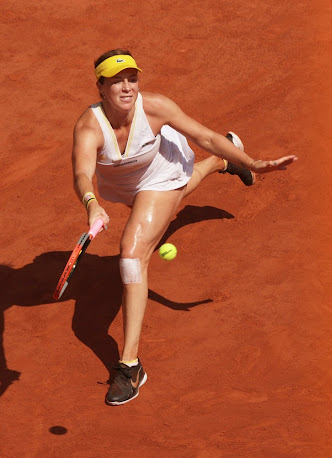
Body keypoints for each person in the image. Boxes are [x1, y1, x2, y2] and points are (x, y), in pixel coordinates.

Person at [72, 49, 298, 405]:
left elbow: (204, 135)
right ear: (100, 88)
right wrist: (92, 204)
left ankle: (130, 365)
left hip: (160, 168)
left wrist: (254, 162)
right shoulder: (89, 125)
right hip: (125, 183)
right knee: (170, 202)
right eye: (117, 81)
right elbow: (83, 173)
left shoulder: (156, 107)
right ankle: (218, 165)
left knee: (132, 255)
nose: (127, 87)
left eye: (132, 78)